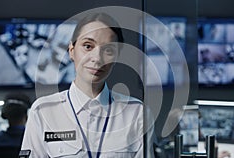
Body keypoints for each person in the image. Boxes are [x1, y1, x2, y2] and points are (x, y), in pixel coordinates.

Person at [20, 12, 154, 158]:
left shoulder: (137, 114)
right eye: (88, 46)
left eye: (108, 50)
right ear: (72, 50)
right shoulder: (43, 111)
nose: (97, 58)